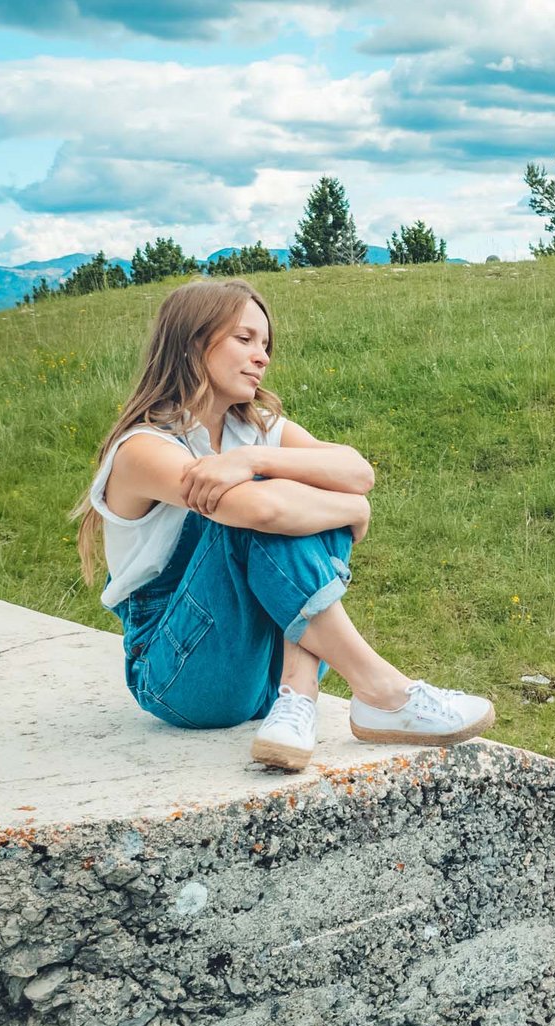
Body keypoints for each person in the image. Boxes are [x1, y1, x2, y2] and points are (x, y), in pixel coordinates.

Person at [72, 278, 493, 770]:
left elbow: (358, 471)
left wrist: (250, 458)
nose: (263, 357)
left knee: (290, 496)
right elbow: (263, 513)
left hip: (264, 676)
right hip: (179, 675)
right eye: (244, 339)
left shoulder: (253, 431)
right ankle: (380, 690)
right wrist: (353, 509)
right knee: (253, 514)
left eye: (266, 344)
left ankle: (298, 695)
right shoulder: (142, 449)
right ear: (192, 343)